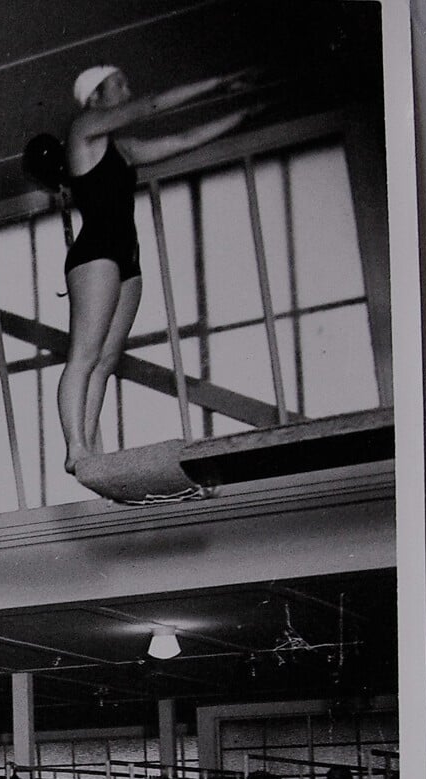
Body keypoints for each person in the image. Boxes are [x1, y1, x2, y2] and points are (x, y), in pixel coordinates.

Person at [56, 63, 260, 472]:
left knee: (106, 361)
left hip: (127, 257)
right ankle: (75, 447)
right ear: (95, 97)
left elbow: (185, 139)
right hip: (95, 253)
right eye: (120, 84)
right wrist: (218, 79)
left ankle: (92, 455)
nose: (128, 90)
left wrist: (244, 114)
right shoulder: (83, 130)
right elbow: (151, 105)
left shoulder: (123, 149)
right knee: (84, 354)